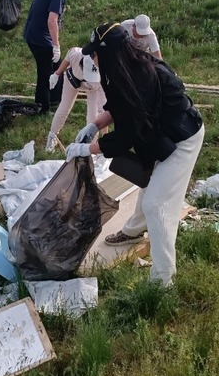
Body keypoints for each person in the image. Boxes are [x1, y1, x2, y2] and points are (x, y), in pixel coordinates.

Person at [65, 22, 204, 286]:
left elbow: (125, 136)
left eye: (95, 52)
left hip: (183, 139)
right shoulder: (122, 70)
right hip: (160, 135)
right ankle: (133, 232)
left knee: (156, 204)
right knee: (148, 184)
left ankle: (163, 280)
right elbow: (121, 107)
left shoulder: (140, 75)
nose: (92, 57)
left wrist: (87, 149)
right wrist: (95, 124)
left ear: (108, 53)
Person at [23, 0, 86, 114]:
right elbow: (52, 20)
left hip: (35, 36)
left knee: (57, 67)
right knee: (46, 73)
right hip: (40, 39)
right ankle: (42, 108)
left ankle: (55, 98)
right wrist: (56, 45)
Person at [45, 48, 105, 152]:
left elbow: (104, 113)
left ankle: (89, 146)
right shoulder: (76, 54)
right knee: (64, 107)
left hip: (93, 89)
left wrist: (106, 138)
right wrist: (57, 74)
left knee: (93, 117)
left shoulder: (101, 78)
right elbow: (67, 59)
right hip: (72, 82)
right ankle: (52, 136)